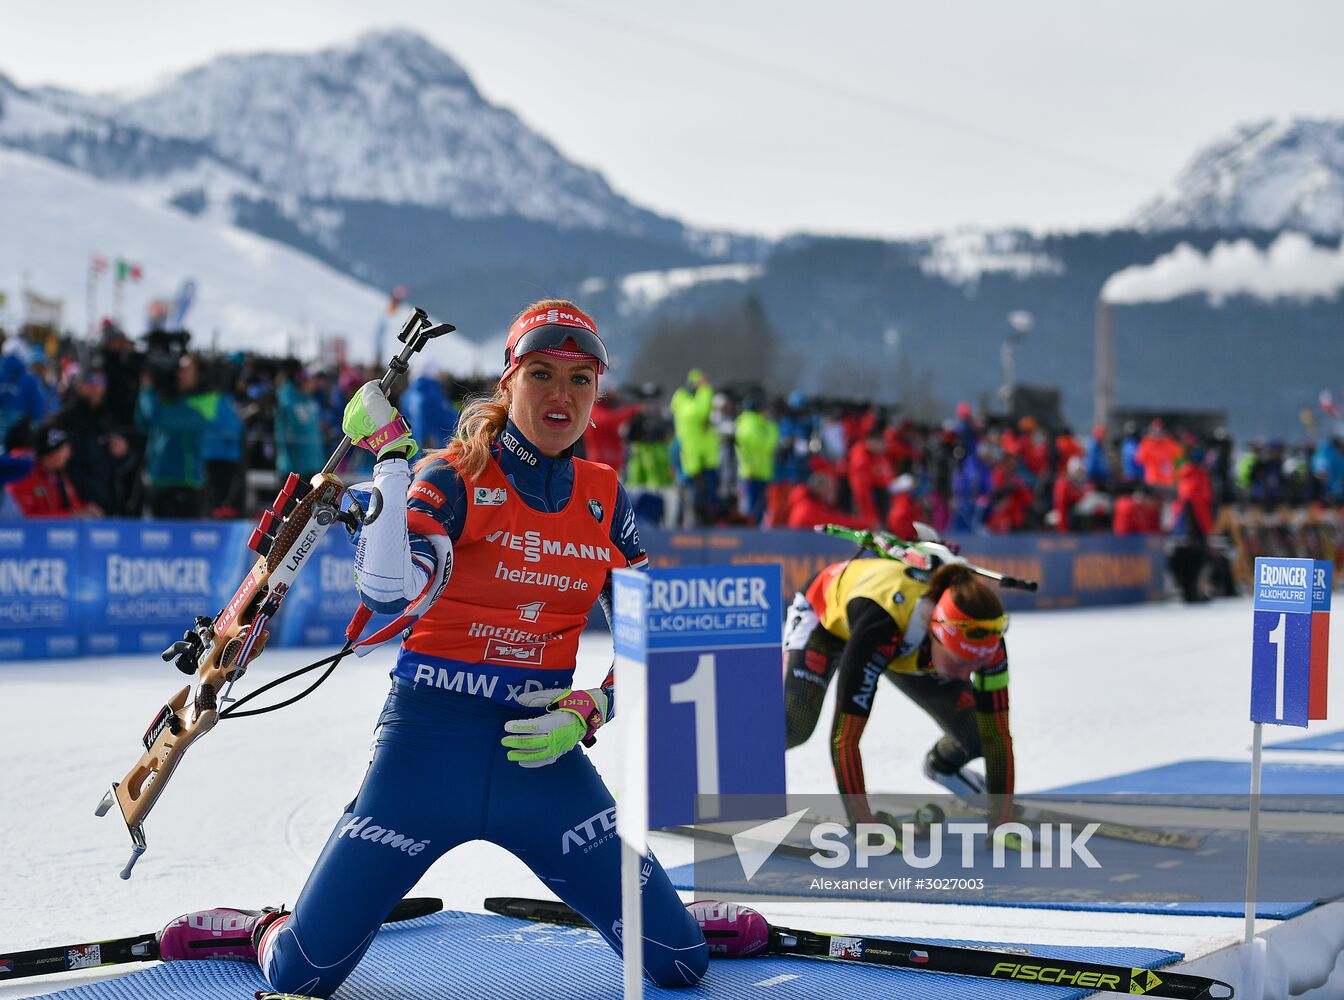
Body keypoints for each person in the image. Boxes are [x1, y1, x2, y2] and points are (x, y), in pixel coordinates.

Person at [156, 300, 711, 996]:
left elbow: (649, 635)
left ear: (598, 395)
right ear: (508, 384)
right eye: (542, 373)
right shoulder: (452, 475)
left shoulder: (605, 497)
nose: (561, 394)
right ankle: (262, 926)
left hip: (543, 764)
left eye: (580, 379)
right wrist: (391, 460)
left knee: (681, 963)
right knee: (306, 973)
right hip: (425, 755)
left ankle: (669, 914)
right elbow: (390, 592)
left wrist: (593, 706)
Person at [782, 553, 1014, 826]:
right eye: (959, 662)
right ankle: (729, 771)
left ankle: (942, 768)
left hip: (904, 639)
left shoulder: (988, 642)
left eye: (977, 665)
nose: (965, 675)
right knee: (794, 728)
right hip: (826, 616)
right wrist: (863, 823)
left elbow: (997, 736)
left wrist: (1003, 822)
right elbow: (844, 738)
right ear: (935, 634)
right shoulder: (881, 627)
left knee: (977, 736)